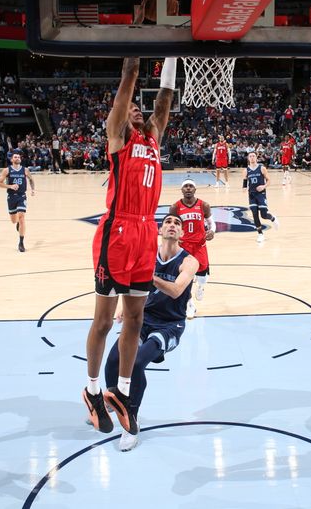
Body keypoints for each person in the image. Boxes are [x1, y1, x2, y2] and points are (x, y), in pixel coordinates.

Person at [82, 48, 177, 436]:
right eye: (133, 109)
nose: (138, 110)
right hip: (116, 233)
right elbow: (128, 83)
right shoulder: (118, 137)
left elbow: (165, 100)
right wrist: (137, 45)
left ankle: (120, 393)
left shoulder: (153, 139)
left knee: (135, 319)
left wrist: (173, 50)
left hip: (145, 233)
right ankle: (91, 391)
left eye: (142, 109)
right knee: (105, 321)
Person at [103, 213, 198, 451]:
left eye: (177, 223)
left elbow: (176, 291)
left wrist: (150, 277)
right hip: (143, 319)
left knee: (135, 365)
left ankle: (130, 422)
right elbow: (132, 287)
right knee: (113, 361)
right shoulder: (147, 254)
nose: (172, 225)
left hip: (170, 325)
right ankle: (113, 402)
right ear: (160, 229)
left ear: (182, 233)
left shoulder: (189, 261)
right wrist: (125, 309)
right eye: (168, 222)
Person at [169, 179, 215, 319]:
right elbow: (171, 225)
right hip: (183, 246)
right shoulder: (175, 207)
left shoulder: (204, 205)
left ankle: (201, 287)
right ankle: (190, 304)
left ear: (195, 189)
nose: (188, 188)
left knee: (202, 274)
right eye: (185, 186)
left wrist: (212, 231)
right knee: (184, 277)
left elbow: (211, 223)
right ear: (182, 190)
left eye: (191, 186)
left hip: (199, 245)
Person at [0, 151, 35, 252]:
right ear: (12, 159)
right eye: (15, 157)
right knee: (14, 221)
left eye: (18, 157)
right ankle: (17, 222)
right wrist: (10, 186)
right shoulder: (6, 170)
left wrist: (33, 189)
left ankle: (21, 243)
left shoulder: (25, 170)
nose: (17, 158)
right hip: (11, 197)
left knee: (22, 217)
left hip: (22, 196)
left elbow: (31, 180)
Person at [246, 151, 279, 243]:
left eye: (253, 156)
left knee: (263, 215)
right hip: (251, 195)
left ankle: (273, 218)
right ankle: (260, 234)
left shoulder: (262, 168)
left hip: (261, 194)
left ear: (256, 158)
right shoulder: (246, 170)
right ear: (248, 158)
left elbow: (269, 180)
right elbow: (245, 182)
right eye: (250, 156)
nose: (252, 157)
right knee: (255, 215)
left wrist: (263, 186)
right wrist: (244, 188)